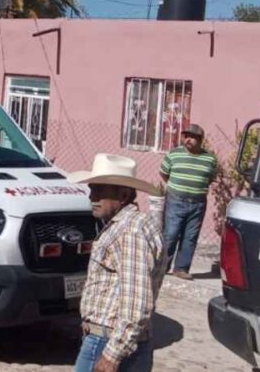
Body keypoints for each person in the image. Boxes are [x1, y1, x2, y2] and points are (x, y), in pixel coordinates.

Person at [68, 153, 165, 372]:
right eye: (92, 189)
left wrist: (113, 354)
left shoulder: (131, 230)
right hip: (114, 339)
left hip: (108, 340)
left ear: (123, 195)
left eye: (100, 191)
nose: (92, 197)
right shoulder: (129, 224)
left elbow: (137, 302)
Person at [159, 124, 217, 280]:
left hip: (198, 203)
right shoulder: (174, 154)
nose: (188, 139)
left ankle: (181, 268)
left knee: (190, 236)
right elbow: (164, 173)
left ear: (200, 140)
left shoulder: (209, 158)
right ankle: (162, 267)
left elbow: (210, 178)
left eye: (192, 137)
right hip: (176, 200)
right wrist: (178, 187)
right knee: (170, 234)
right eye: (186, 136)